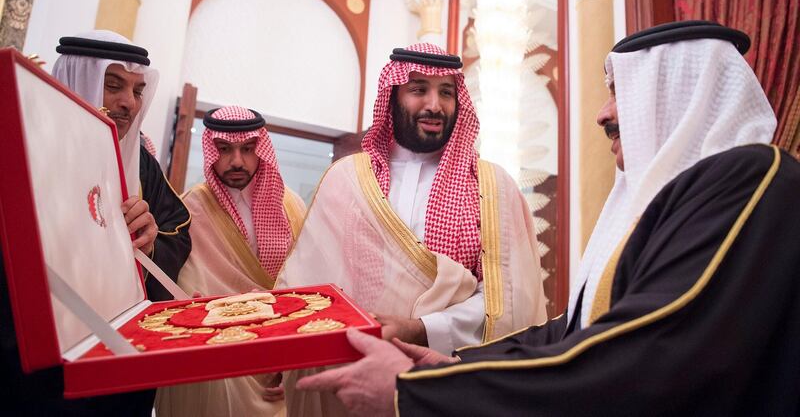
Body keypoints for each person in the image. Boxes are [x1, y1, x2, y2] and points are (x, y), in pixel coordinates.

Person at [296, 21, 800, 416]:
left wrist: (424, 389)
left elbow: (650, 346)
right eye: (418, 90)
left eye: (619, 92)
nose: (602, 114)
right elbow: (569, 329)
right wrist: (451, 366)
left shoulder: (752, 175)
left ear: (680, 94)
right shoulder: (672, 194)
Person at [276, 43, 547, 416]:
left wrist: (422, 328)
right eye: (419, 89)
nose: (434, 105)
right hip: (348, 375)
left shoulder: (493, 187)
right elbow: (303, 288)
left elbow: (511, 303)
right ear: (394, 96)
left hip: (445, 382)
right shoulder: (347, 179)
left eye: (446, 92)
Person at [155, 105, 305, 417]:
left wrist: (290, 361)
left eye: (248, 149)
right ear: (211, 150)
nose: (236, 161)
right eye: (225, 149)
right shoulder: (189, 210)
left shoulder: (291, 205)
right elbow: (189, 295)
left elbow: (306, 289)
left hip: (281, 354)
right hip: (220, 361)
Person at [52, 30, 192, 302]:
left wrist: (149, 243)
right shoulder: (29, 150)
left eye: (138, 91)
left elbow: (176, 231)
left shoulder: (141, 165)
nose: (129, 102)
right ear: (77, 82)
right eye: (113, 86)